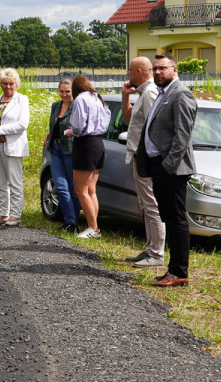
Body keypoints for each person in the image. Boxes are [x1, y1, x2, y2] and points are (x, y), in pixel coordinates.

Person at [141, 53, 198, 287]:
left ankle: (178, 272)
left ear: (175, 70)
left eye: (162, 69)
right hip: (161, 167)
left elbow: (182, 135)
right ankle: (173, 270)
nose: (157, 73)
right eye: (154, 69)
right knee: (169, 218)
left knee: (176, 221)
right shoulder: (163, 93)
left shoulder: (181, 94)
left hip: (173, 169)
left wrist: (168, 167)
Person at [121, 57, 166, 267]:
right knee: (145, 204)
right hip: (139, 157)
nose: (128, 74)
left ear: (139, 71)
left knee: (151, 204)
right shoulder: (143, 92)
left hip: (144, 158)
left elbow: (154, 126)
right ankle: (150, 248)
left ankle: (157, 253)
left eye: (130, 70)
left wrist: (143, 152)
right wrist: (125, 96)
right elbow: (130, 119)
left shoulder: (149, 93)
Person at [0, 68, 30, 227]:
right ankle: (3, 213)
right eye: (4, 83)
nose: (8, 87)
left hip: (13, 145)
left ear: (16, 84)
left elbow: (22, 124)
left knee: (14, 181)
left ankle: (15, 214)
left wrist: (1, 130)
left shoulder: (22, 100)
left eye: (11, 83)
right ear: (0, 84)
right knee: (0, 181)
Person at [65, 74, 110, 239]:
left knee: (80, 189)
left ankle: (93, 228)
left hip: (85, 145)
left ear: (75, 88)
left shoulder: (81, 99)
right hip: (98, 143)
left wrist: (70, 131)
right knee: (91, 190)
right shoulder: (97, 97)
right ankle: (94, 226)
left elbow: (78, 126)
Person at [42, 77, 79, 233]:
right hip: (55, 148)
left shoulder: (77, 106)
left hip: (69, 149)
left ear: (73, 91)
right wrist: (49, 134)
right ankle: (70, 221)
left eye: (67, 92)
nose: (64, 95)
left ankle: (72, 222)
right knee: (60, 186)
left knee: (72, 187)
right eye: (61, 91)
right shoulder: (55, 106)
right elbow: (54, 124)